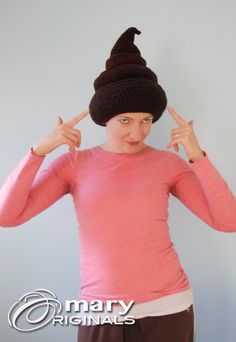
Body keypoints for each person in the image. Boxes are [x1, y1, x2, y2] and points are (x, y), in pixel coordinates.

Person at [0, 27, 236, 342]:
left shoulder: (169, 164)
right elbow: (8, 215)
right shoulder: (73, 164)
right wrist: (38, 151)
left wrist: (198, 157)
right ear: (105, 118)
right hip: (101, 312)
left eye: (146, 120)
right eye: (125, 120)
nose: (137, 133)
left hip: (168, 309)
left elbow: (228, 221)